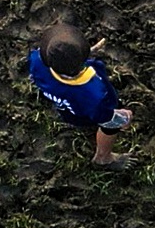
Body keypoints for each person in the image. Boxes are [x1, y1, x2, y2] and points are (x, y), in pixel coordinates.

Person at [27, 21, 134, 166]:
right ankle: (103, 157)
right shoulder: (93, 93)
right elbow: (105, 116)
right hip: (84, 115)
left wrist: (78, 56)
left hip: (64, 107)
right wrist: (123, 118)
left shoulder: (36, 60)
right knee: (110, 126)